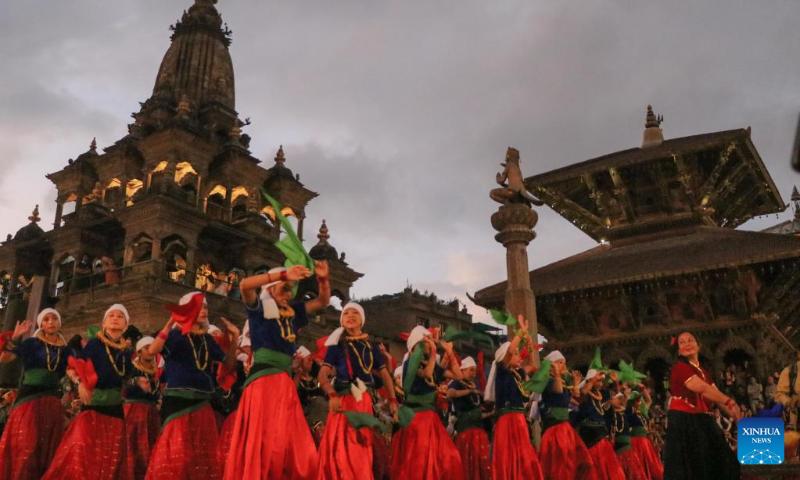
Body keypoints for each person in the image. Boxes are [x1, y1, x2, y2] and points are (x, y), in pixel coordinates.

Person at [224, 262, 331, 480]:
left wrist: (323, 280)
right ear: (271, 288)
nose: (287, 293)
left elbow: (322, 301)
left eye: (290, 290)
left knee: (291, 443)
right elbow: (245, 285)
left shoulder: (293, 312)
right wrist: (282, 274)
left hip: (284, 382)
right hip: (263, 382)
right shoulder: (259, 308)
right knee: (265, 440)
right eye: (284, 288)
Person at [145, 292, 239, 480]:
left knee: (202, 455)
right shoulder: (176, 335)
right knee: (176, 456)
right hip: (177, 402)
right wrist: (170, 323)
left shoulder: (208, 339)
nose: (204, 310)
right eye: (198, 307)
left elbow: (229, 365)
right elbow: (152, 351)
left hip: (203, 403)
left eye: (205, 306)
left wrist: (235, 338)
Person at [42, 304, 134, 480]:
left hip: (115, 410)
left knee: (111, 457)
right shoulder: (94, 345)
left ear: (125, 326)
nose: (115, 318)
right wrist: (80, 383)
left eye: (120, 316)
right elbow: (72, 367)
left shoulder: (126, 352)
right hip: (93, 405)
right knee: (83, 454)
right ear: (104, 323)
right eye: (111, 316)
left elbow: (127, 378)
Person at [317, 302, 399, 480]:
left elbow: (384, 374)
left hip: (363, 402)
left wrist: (393, 401)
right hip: (343, 402)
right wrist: (331, 394)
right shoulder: (337, 345)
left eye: (355, 312)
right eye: (346, 313)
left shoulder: (371, 346)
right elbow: (322, 374)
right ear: (342, 320)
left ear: (362, 319)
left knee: (361, 449)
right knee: (343, 450)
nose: (350, 315)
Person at [0, 309, 73, 479]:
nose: (50, 322)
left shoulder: (66, 349)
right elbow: (4, 359)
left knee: (49, 445)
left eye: (54, 318)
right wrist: (16, 337)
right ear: (41, 324)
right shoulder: (32, 343)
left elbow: (72, 370)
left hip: (52, 401)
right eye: (46, 319)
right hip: (29, 400)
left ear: (59, 323)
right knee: (27, 444)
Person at [663, 331, 741, 480]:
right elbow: (703, 389)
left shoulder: (704, 372)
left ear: (699, 346)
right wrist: (730, 402)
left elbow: (716, 396)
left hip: (702, 420)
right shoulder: (680, 368)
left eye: (690, 340)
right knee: (696, 468)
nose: (687, 344)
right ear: (678, 350)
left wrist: (737, 415)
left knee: (724, 462)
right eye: (682, 342)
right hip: (685, 422)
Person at [392, 325, 464, 480]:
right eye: (426, 340)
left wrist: (450, 353)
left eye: (430, 340)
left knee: (450, 457)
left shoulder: (432, 363)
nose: (430, 343)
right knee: (421, 462)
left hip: (431, 419)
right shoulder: (409, 363)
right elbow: (427, 373)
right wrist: (433, 352)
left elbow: (458, 376)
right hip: (417, 420)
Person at [485, 315, 543, 480]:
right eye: (517, 354)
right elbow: (510, 351)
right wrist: (520, 333)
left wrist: (530, 343)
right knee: (510, 461)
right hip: (508, 421)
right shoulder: (502, 371)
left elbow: (533, 366)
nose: (519, 356)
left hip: (519, 420)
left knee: (525, 461)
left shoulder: (518, 374)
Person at [537, 350, 594, 480]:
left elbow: (575, 400)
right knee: (560, 466)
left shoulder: (561, 382)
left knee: (582, 461)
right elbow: (557, 391)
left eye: (564, 363)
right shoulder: (547, 380)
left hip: (565, 428)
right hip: (555, 429)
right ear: (552, 366)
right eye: (560, 363)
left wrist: (575, 383)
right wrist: (557, 374)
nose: (564, 366)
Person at [123, 336, 162, 480]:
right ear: (139, 352)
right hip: (133, 410)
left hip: (151, 412)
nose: (151, 351)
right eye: (146, 348)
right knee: (133, 446)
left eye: (153, 347)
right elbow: (124, 386)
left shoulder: (157, 371)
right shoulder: (131, 368)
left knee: (151, 445)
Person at [447, 356, 491, 480]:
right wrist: (469, 392)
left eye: (475, 370)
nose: (474, 373)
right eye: (471, 370)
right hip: (466, 434)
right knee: (468, 468)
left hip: (479, 433)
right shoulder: (458, 382)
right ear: (463, 370)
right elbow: (450, 393)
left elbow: (478, 411)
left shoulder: (472, 386)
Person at [577, 369, 625, 480]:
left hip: (602, 434)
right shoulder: (584, 391)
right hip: (590, 435)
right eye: (598, 381)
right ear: (590, 379)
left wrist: (616, 382)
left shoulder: (601, 394)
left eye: (601, 382)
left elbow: (617, 397)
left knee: (609, 470)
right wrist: (593, 380)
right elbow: (582, 393)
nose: (600, 384)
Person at [627, 390, 663, 480]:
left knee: (651, 465)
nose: (639, 401)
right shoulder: (629, 412)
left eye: (639, 399)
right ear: (632, 402)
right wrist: (627, 395)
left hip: (645, 441)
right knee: (641, 465)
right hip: (636, 442)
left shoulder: (642, 412)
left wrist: (643, 390)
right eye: (636, 400)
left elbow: (649, 400)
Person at [611, 392, 647, 480]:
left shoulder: (624, 413)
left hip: (627, 447)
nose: (621, 401)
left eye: (622, 399)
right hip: (618, 447)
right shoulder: (611, 414)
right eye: (619, 399)